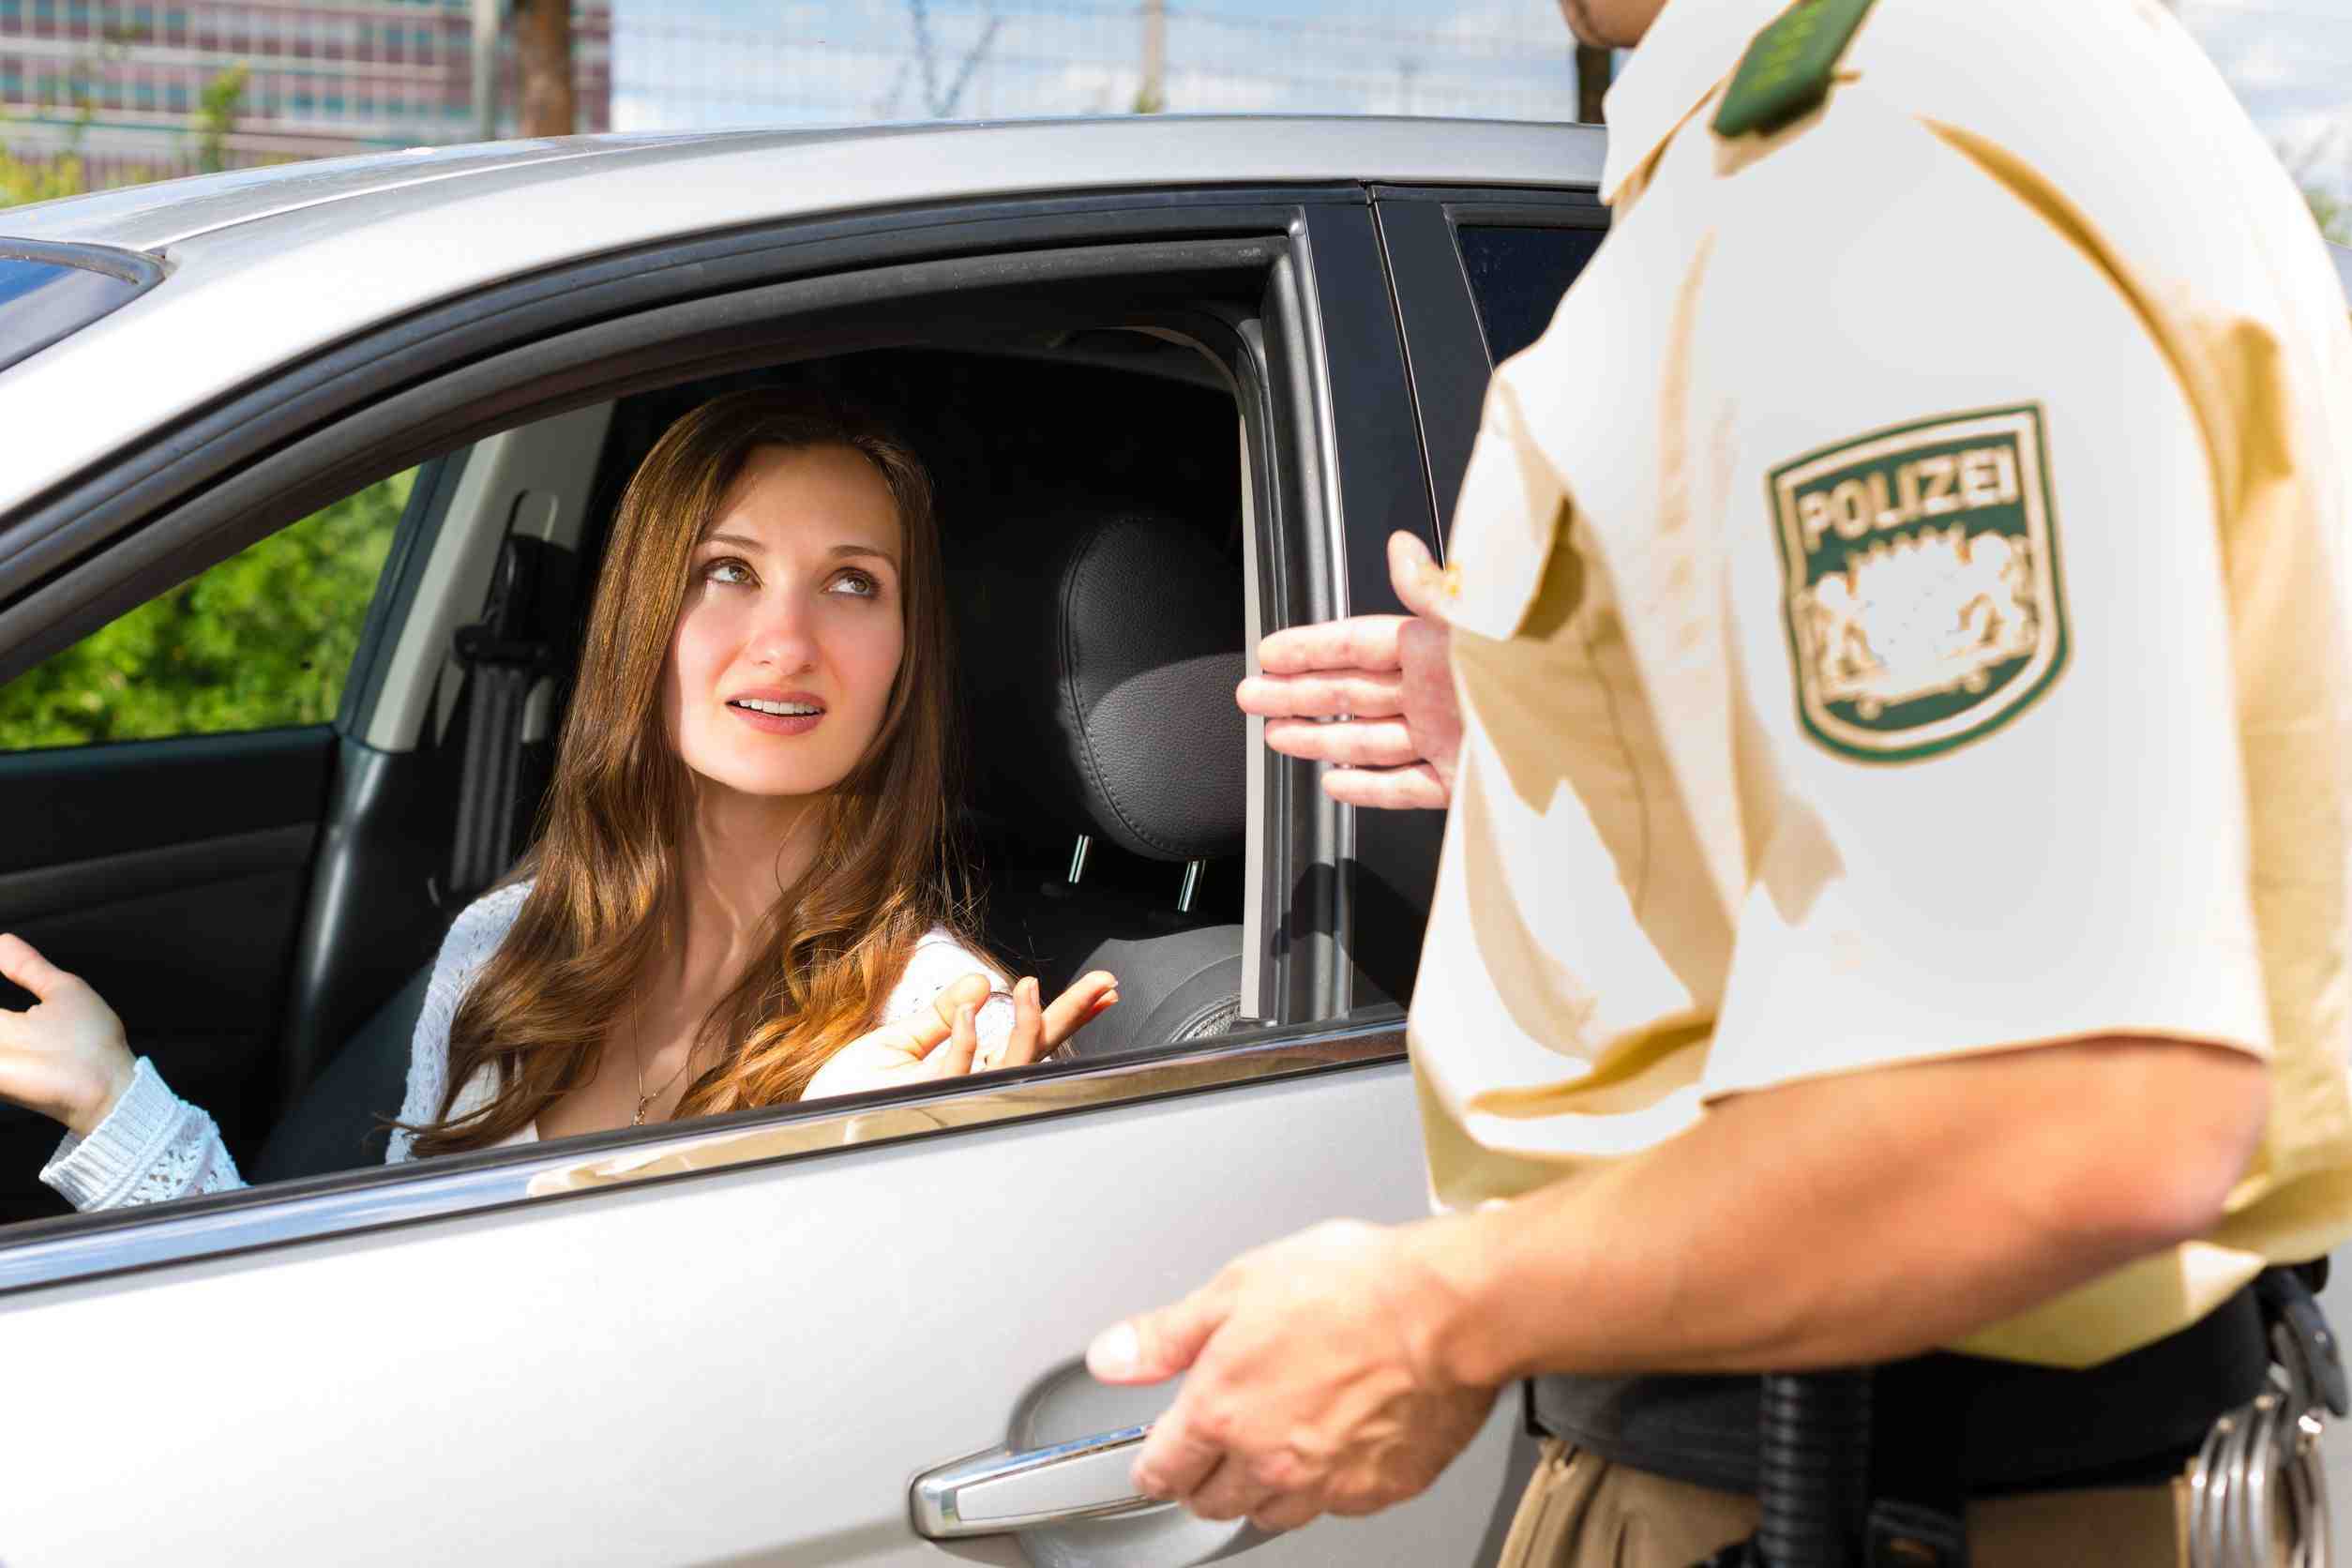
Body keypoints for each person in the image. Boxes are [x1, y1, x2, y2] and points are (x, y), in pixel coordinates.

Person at [1082, 0, 2352, 1561]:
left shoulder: (1869, 158)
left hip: (1863, 1488)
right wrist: (1575, 730)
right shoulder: (1950, 91)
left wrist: (1432, 1313)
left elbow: (2071, 1104)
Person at [0, 390, 1119, 1212]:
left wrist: (832, 1156)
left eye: (852, 583)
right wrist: (113, 1102)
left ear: (906, 655)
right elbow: (364, 1330)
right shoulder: (508, 945)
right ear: (642, 618)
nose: (786, 641)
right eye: (726, 570)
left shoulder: (946, 1036)